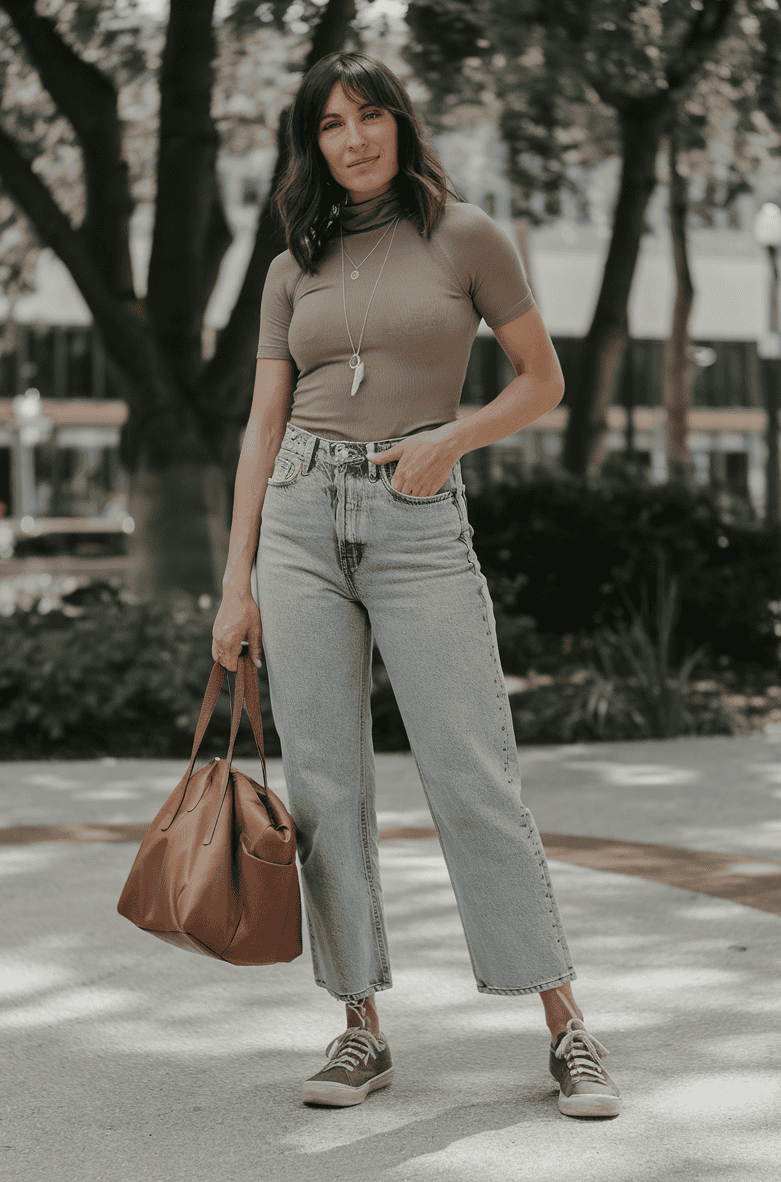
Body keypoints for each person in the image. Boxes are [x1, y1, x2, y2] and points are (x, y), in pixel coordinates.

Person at [211, 50, 621, 1119]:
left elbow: (543, 380)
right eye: (329, 125)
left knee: (473, 775)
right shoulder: (290, 263)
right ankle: (359, 1029)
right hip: (298, 519)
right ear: (311, 143)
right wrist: (234, 583)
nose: (351, 140)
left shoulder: (465, 234)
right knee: (324, 795)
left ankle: (566, 1025)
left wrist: (457, 438)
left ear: (400, 121)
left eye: (368, 117)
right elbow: (261, 428)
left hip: (415, 514)